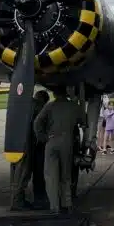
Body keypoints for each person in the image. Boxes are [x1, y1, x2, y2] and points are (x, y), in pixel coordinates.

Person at [32, 86, 86, 214]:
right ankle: (67, 203)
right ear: (66, 93)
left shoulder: (49, 106)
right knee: (66, 175)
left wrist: (43, 137)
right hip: (67, 142)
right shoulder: (74, 106)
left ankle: (54, 206)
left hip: (52, 140)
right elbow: (83, 121)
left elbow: (37, 123)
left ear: (55, 94)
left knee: (51, 175)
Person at [9, 89, 49, 211]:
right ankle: (17, 202)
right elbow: (40, 124)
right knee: (22, 174)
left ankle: (17, 199)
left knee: (15, 172)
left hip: (14, 142)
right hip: (26, 144)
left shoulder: (20, 102)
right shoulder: (37, 105)